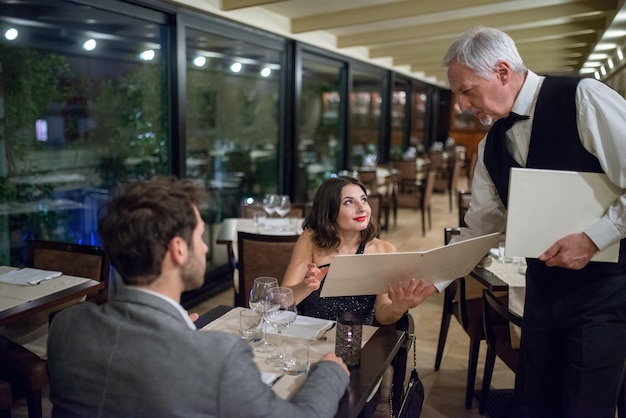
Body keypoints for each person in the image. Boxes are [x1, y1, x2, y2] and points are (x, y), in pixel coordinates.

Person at [47, 176, 350, 418]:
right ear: (179, 249)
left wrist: (179, 334)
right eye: (201, 237)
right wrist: (331, 372)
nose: (205, 249)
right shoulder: (219, 356)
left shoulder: (66, 327)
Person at [441, 26, 626, 418]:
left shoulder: (583, 97)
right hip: (539, 291)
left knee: (585, 407)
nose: (460, 105)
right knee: (532, 401)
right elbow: (480, 227)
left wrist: (595, 238)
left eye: (466, 90)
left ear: (503, 72)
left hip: (605, 294)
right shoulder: (491, 143)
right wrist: (429, 273)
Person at [282, 176, 437, 326]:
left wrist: (397, 308)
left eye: (364, 200)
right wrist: (307, 286)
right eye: (349, 202)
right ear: (329, 210)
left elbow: (383, 315)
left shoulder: (383, 250)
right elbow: (283, 300)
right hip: (310, 335)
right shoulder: (311, 239)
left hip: (356, 341)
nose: (362, 208)